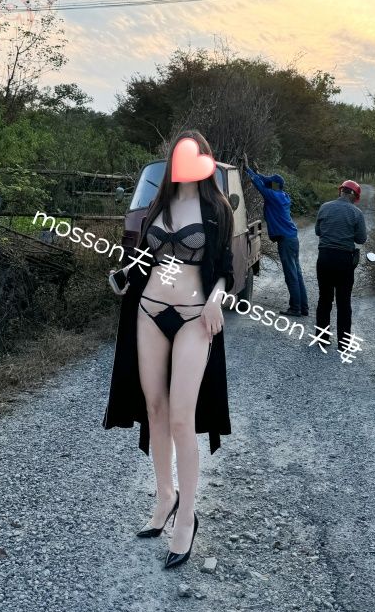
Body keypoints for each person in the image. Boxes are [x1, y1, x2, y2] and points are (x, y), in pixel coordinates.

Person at [102, 130, 234, 570]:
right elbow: (147, 257)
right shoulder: (158, 204)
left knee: (181, 417)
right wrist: (125, 275)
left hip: (195, 316)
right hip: (149, 311)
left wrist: (216, 298)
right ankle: (164, 498)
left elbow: (225, 268)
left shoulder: (217, 209)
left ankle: (188, 516)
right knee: (155, 409)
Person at [242, 153, 308, 317]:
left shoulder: (273, 196)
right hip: (292, 238)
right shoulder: (282, 195)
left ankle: (295, 308)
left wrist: (247, 168)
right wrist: (257, 172)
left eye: (271, 182)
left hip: (286, 240)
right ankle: (303, 307)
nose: (268, 182)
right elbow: (265, 181)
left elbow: (259, 184)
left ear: (275, 185)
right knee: (297, 273)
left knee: (291, 274)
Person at [315, 179, 367, 349]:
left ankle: (322, 338)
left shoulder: (324, 207)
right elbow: (361, 239)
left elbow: (317, 231)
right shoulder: (356, 213)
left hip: (324, 258)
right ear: (355, 196)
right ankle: (343, 343)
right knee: (344, 302)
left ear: (341, 191)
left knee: (324, 299)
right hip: (344, 260)